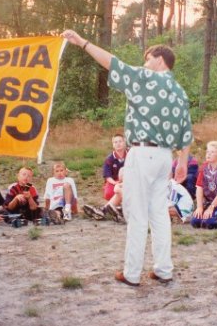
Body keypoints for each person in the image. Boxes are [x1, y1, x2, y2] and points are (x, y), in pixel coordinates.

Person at [61, 29, 192, 287]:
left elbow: (112, 63)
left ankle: (132, 273)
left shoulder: (145, 77)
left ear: (159, 60)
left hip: (142, 153)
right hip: (165, 156)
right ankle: (163, 269)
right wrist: (184, 161)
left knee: (137, 213)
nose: (144, 63)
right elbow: (186, 131)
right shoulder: (179, 91)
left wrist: (83, 43)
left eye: (147, 59)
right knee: (159, 213)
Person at [191, 141, 217, 229]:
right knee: (195, 222)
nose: (208, 154)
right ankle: (209, 215)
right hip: (208, 202)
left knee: (210, 223)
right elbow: (199, 187)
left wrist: (211, 207)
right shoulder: (204, 167)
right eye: (207, 152)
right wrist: (199, 207)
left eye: (212, 152)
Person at [102, 134, 127, 201]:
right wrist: (115, 183)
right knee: (108, 194)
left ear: (124, 142)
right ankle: (117, 202)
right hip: (114, 181)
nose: (118, 144)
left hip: (129, 180)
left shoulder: (130, 155)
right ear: (113, 145)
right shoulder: (109, 159)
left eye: (120, 141)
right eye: (115, 142)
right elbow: (107, 176)